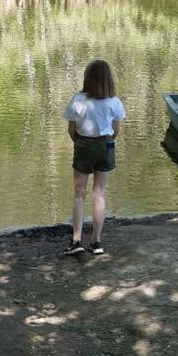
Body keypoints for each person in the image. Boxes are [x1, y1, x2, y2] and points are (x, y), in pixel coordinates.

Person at [61, 60, 125, 256]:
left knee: (79, 194)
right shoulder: (114, 102)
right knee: (99, 194)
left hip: (83, 146)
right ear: (109, 80)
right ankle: (96, 241)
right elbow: (116, 130)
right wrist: (105, 141)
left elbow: (71, 131)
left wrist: (81, 143)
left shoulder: (77, 100)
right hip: (106, 145)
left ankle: (77, 240)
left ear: (87, 78)